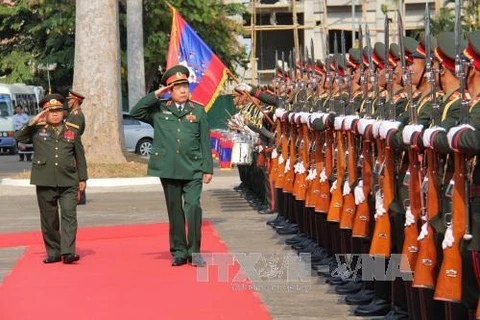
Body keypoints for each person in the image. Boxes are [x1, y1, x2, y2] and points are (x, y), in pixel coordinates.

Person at [130, 64, 213, 267]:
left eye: (185, 85)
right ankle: (179, 251)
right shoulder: (160, 110)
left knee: (193, 207)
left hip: (193, 168)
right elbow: (135, 111)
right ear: (169, 90)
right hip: (169, 169)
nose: (184, 90)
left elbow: (204, 141)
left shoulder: (198, 111)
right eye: (178, 87)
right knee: (175, 210)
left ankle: (194, 252)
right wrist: (157, 94)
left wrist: (207, 168)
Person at [14, 94, 88, 264]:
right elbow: (18, 138)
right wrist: (33, 120)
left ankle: (68, 252)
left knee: (69, 215)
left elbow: (80, 155)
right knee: (49, 218)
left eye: (58, 111)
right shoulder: (37, 129)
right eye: (50, 110)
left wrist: (83, 178)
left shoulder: (72, 128)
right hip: (45, 180)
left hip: (68, 179)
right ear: (45, 112)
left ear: (64, 112)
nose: (54, 114)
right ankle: (54, 252)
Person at [65, 90, 87, 205]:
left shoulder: (76, 115)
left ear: (76, 101)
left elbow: (75, 133)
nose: (68, 102)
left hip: (73, 145)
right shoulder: (72, 114)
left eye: (70, 100)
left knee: (77, 168)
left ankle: (79, 196)